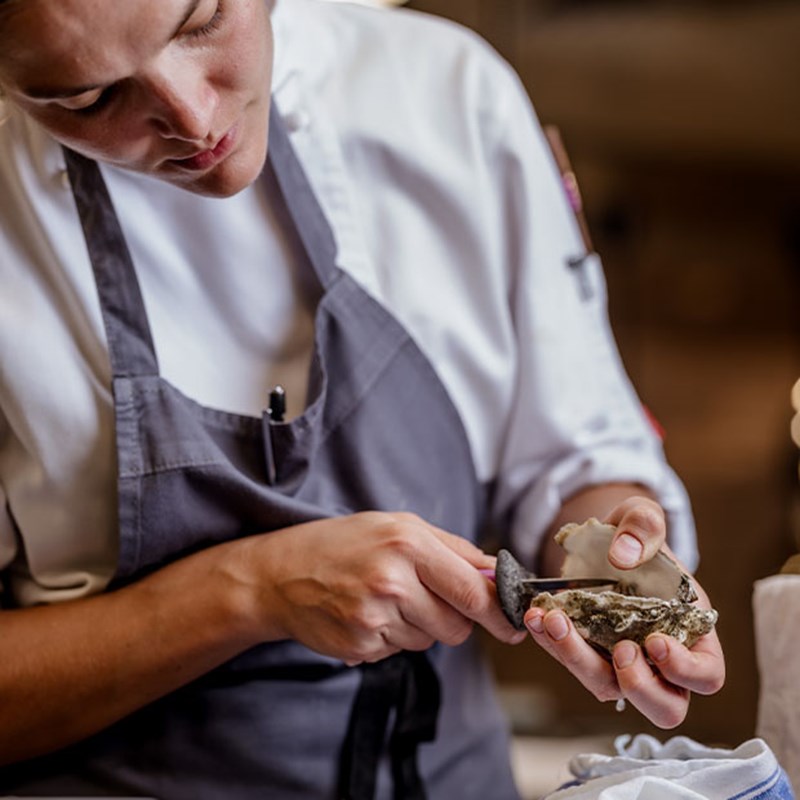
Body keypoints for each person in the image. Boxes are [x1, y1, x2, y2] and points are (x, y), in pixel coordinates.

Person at [0, 0, 725, 797]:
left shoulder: (444, 92)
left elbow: (571, 461)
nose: (192, 114)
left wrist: (618, 567)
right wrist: (252, 589)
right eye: (85, 98)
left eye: (201, 21)